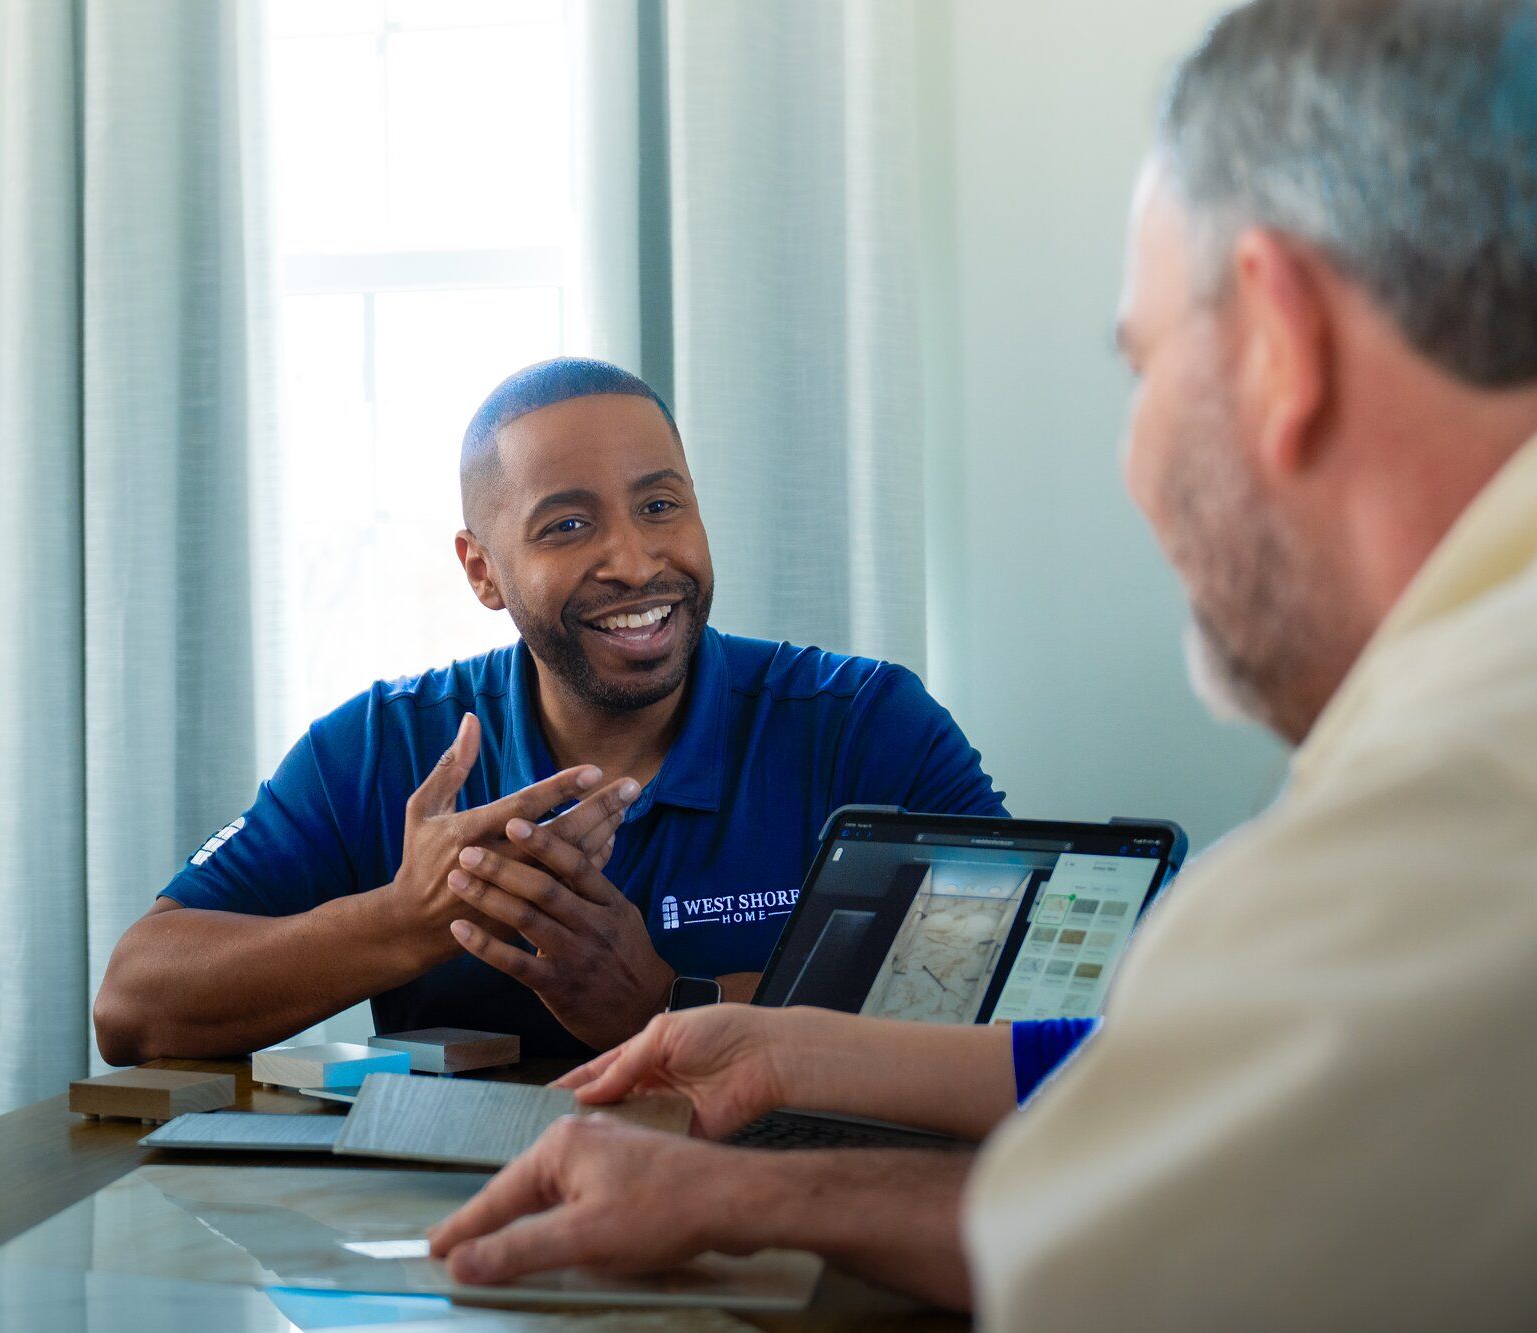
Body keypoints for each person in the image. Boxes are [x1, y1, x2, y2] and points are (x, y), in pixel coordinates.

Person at [428, 1, 1537, 1324]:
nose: (1131, 468)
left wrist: (739, 1197)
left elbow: (1141, 1244)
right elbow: (1133, 1060)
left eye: (1145, 369)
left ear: (1280, 341)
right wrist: (779, 1048)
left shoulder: (1457, 818)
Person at [94, 358, 1006, 1065]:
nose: (637, 560)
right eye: (567, 525)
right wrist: (412, 916)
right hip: (471, 1256)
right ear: (482, 570)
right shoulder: (382, 748)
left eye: (661, 505)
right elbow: (132, 1006)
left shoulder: (866, 723)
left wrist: (667, 1003)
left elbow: (1010, 987)